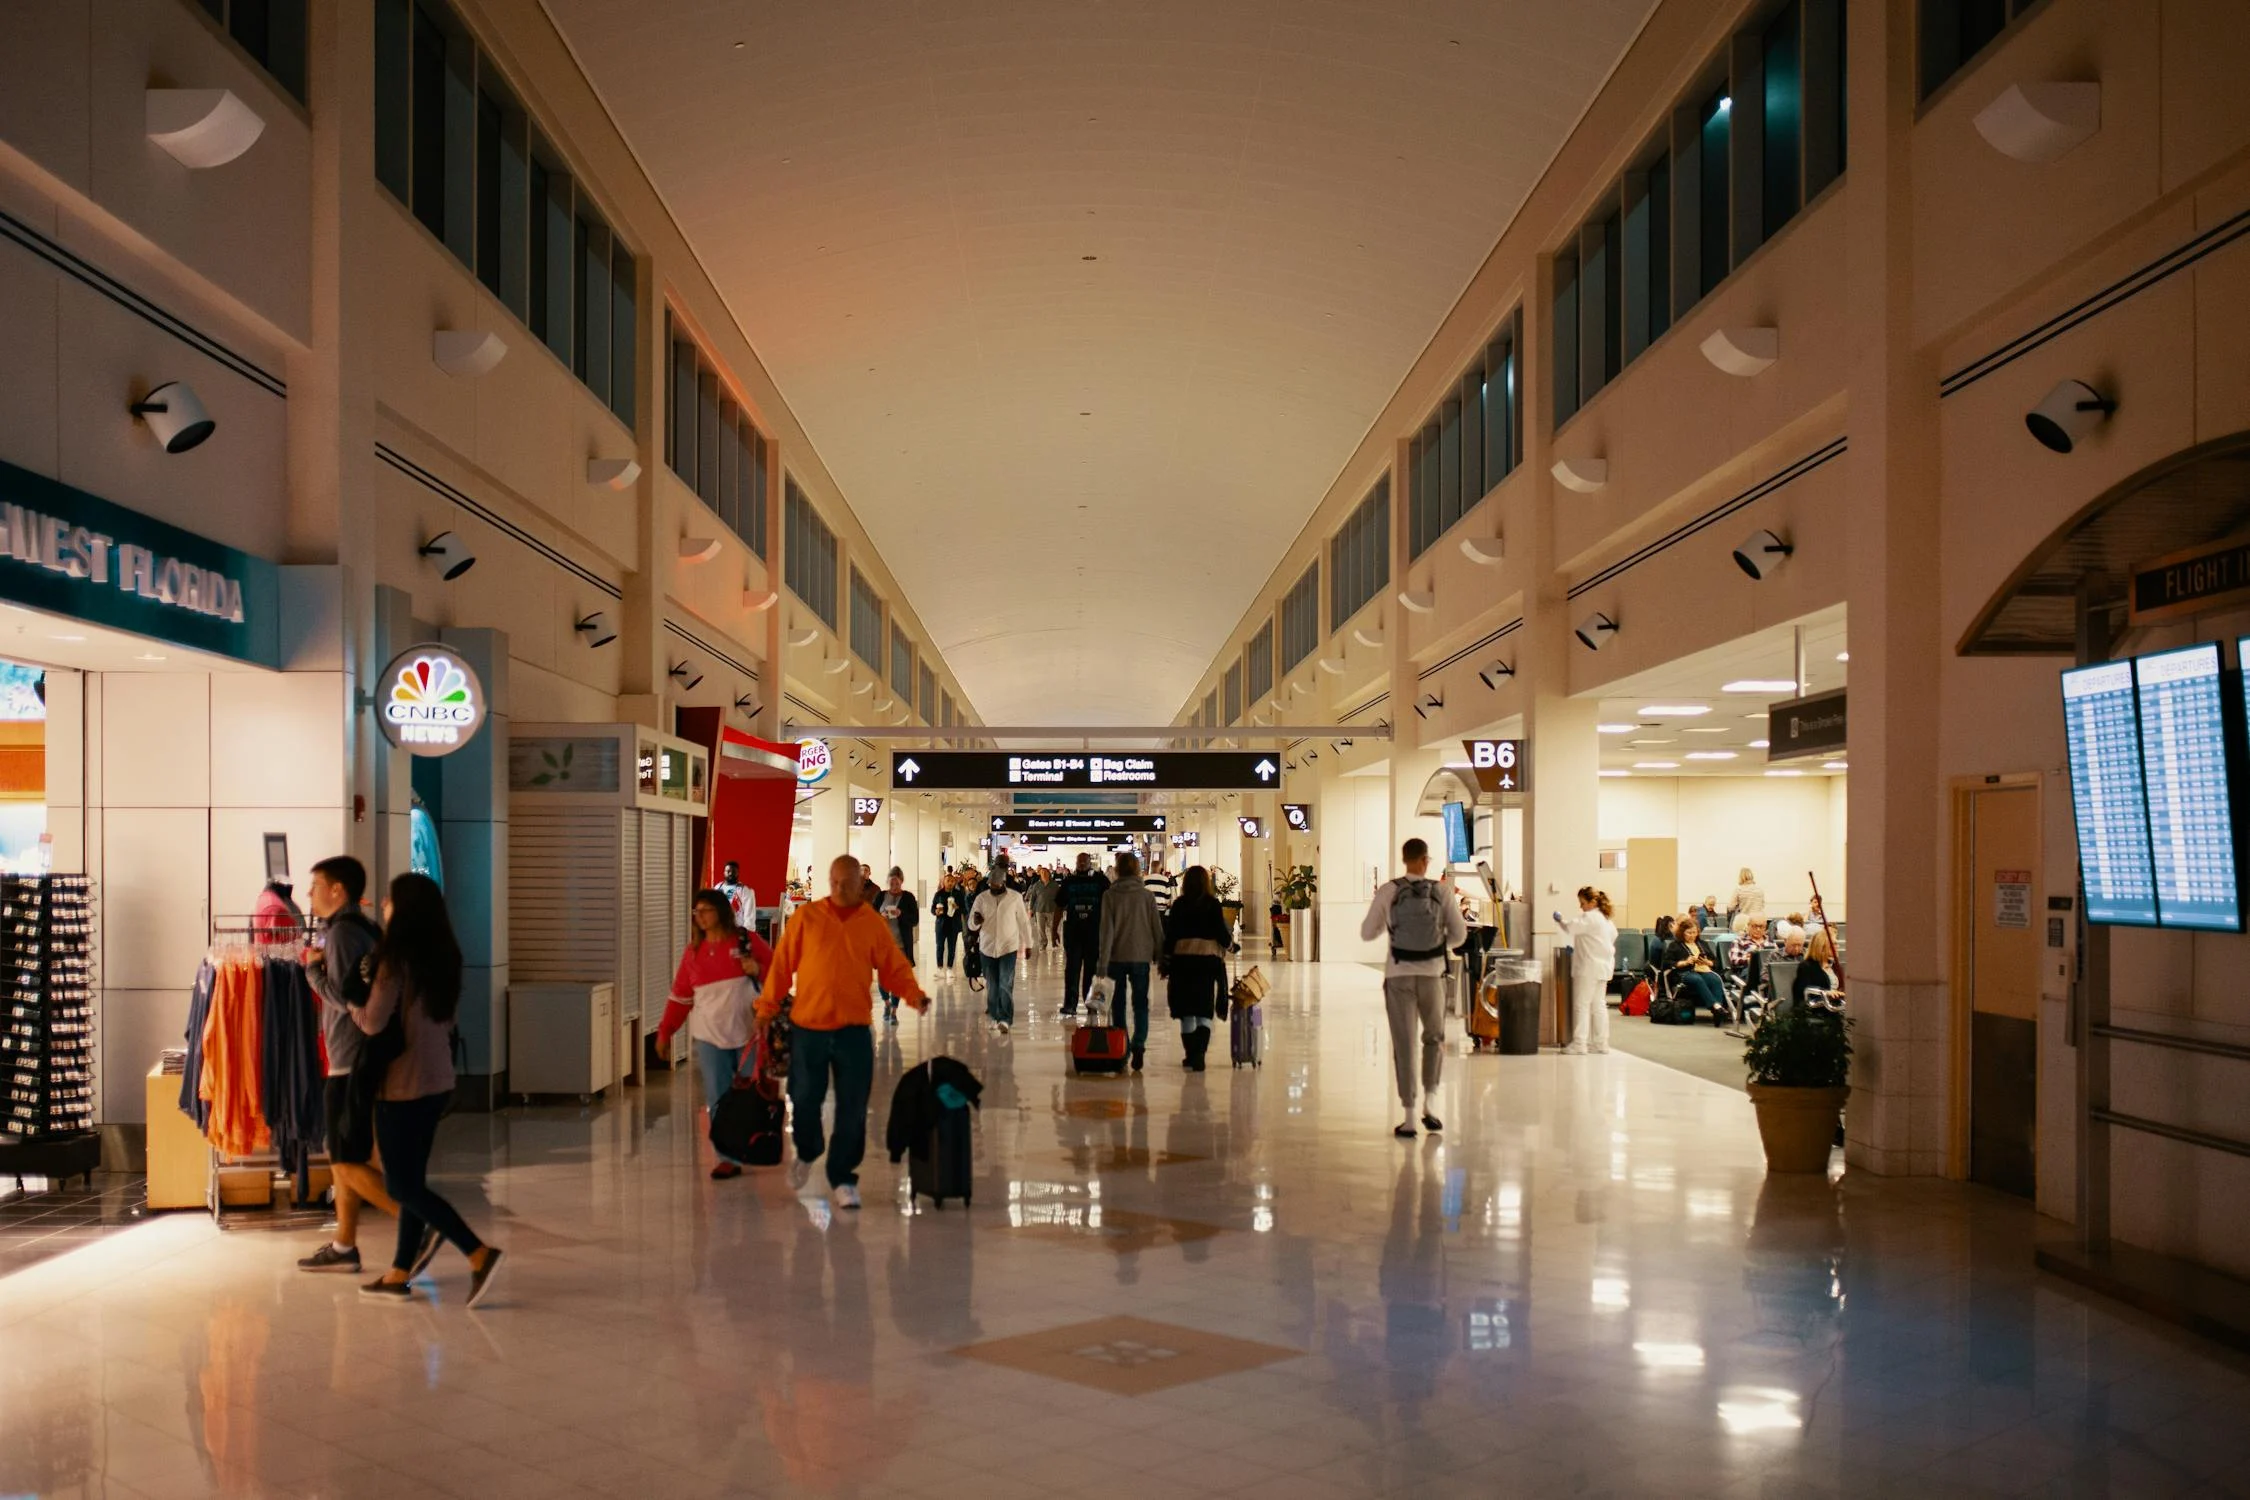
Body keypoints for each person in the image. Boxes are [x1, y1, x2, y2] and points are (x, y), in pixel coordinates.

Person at [352, 873, 505, 1306]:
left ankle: (478, 1252)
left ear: (404, 909)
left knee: (402, 1188)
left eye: (389, 900)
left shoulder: (393, 960)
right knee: (411, 1178)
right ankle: (400, 1270)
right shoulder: (445, 956)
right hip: (438, 1079)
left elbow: (372, 1022)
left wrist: (349, 1000)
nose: (383, 905)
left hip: (401, 1082)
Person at [756, 853, 927, 1210]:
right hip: (809, 1028)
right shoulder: (807, 917)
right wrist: (766, 1007)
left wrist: (913, 994)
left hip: (853, 1031)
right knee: (804, 1099)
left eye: (845, 883)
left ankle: (843, 1176)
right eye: (833, 882)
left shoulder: (870, 922)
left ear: (859, 884)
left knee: (852, 1107)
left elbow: (893, 966)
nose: (838, 888)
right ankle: (808, 1151)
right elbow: (782, 966)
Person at [296, 856, 403, 1274]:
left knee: (342, 1159)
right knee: (347, 1155)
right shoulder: (365, 929)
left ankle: (417, 1221)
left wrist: (312, 974)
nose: (310, 893)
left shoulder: (341, 934)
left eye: (316, 885)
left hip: (349, 1059)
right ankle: (344, 1245)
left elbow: (347, 999)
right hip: (361, 1056)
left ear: (337, 889)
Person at [655, 889, 773, 1179]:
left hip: (748, 1032)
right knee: (718, 1097)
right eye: (696, 912)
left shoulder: (746, 941)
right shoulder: (693, 953)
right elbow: (680, 997)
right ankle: (727, 1157)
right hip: (710, 1036)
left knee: (749, 1094)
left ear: (721, 911)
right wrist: (665, 1032)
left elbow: (777, 971)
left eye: (706, 910)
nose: (700, 917)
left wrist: (757, 969)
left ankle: (749, 1143)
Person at [1361, 838, 1468, 1139]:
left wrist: (1390, 928)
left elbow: (1367, 933)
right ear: (1425, 860)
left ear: (1404, 858)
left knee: (1404, 1042)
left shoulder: (1389, 890)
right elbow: (1459, 935)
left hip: (1398, 976)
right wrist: (1435, 945)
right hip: (1433, 974)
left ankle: (1408, 1117)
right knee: (1434, 1037)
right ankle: (1431, 1105)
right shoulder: (1441, 891)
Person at [1096, 851, 1166, 1069]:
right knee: (1140, 1003)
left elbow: (1106, 932)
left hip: (1116, 958)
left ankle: (1122, 1046)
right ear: (1137, 869)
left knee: (1118, 1005)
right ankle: (1139, 1044)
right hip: (1140, 957)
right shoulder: (1146, 896)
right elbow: (1157, 928)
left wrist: (1102, 962)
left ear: (1117, 870)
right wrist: (1161, 955)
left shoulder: (1110, 895)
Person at [1161, 865, 1232, 1070]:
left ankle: (1191, 1053)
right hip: (1207, 963)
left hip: (1183, 962)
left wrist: (1166, 960)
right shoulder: (1212, 904)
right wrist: (1230, 945)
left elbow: (1171, 935)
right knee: (1203, 1008)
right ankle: (1199, 1054)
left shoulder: (1179, 905)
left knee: (1186, 1010)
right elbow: (1220, 931)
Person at [969, 862, 1032, 1034]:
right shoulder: (981, 899)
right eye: (991, 884)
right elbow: (971, 924)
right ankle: (994, 1016)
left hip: (1008, 948)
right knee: (993, 985)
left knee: (1005, 983)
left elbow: (1024, 923)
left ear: (1003, 883)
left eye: (997, 884)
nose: (994, 887)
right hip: (987, 948)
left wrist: (1029, 944)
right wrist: (975, 921)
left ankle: (1005, 1019)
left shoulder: (1014, 898)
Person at [1554, 887, 1618, 1055]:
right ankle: (1601, 1043)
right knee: (1599, 1005)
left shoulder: (1589, 918)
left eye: (1582, 903)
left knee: (1582, 1005)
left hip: (1588, 967)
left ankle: (1580, 1044)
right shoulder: (1606, 920)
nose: (1581, 907)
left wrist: (1559, 920)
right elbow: (1610, 937)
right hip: (1603, 967)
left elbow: (1570, 928)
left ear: (1592, 902)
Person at [1056, 852, 1111, 1016]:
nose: (1081, 864)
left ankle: (1092, 1005)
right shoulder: (1069, 881)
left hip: (1094, 933)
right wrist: (1054, 930)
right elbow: (1059, 906)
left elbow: (1110, 905)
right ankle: (1070, 1005)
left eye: (1084, 861)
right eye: (1079, 861)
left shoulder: (1101, 881)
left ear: (1090, 862)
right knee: (1072, 970)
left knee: (1092, 971)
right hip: (1073, 933)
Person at [1656, 914, 1727, 1024]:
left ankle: (1718, 1010)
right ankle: (1716, 1007)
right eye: (1689, 933)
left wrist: (1708, 962)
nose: (1692, 935)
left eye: (1694, 932)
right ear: (1682, 933)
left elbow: (1716, 962)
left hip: (1703, 970)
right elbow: (1667, 963)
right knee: (1696, 979)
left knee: (1715, 979)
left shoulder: (1702, 944)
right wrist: (1685, 962)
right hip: (1683, 973)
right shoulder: (1675, 945)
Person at [876, 868, 920, 1025]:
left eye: (897, 881)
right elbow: (870, 915)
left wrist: (901, 914)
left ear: (902, 881)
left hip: (900, 945)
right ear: (888, 882)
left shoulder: (908, 897)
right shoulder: (881, 896)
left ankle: (894, 1010)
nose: (894, 884)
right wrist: (880, 916)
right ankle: (886, 1003)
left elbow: (915, 920)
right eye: (891, 881)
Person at [1795, 927, 1842, 1008]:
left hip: (1836, 1007)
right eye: (1834, 943)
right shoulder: (1806, 966)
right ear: (1822, 947)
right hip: (1817, 1010)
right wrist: (1826, 993)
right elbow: (1803, 991)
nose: (1838, 946)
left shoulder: (1835, 966)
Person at [929, 873, 965, 972]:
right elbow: (932, 908)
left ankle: (949, 968)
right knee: (940, 946)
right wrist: (935, 912)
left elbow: (964, 909)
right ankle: (939, 967)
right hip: (941, 924)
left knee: (952, 947)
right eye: (948, 881)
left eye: (952, 881)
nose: (950, 883)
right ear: (943, 882)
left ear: (955, 882)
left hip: (953, 925)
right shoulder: (938, 894)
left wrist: (957, 908)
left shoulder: (958, 894)